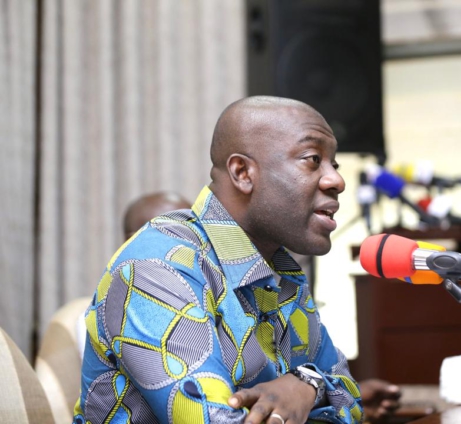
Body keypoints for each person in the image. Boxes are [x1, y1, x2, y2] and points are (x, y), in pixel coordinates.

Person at [75, 96, 365, 424]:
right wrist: (317, 390)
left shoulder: (281, 273)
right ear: (242, 172)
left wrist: (307, 384)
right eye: (313, 159)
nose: (336, 180)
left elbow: (352, 401)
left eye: (334, 165)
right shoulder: (156, 268)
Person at [117, 192, 404, 423]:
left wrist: (310, 386)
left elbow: (340, 394)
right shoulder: (144, 284)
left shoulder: (263, 285)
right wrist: (314, 392)